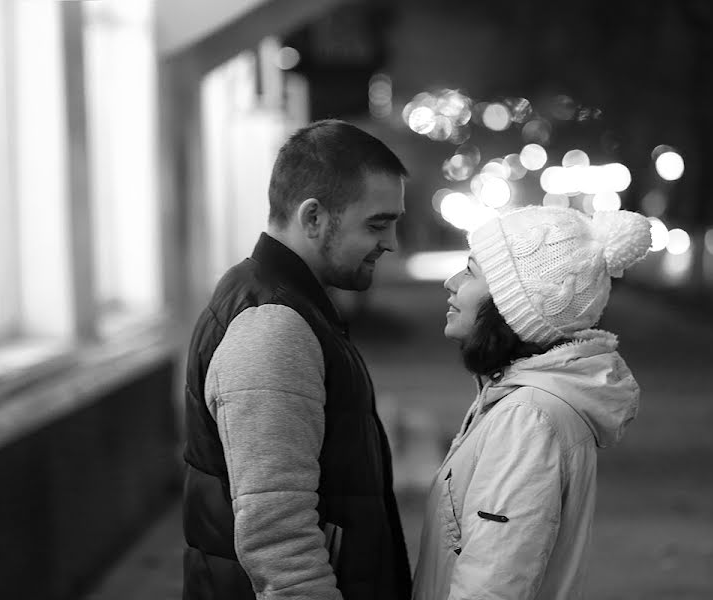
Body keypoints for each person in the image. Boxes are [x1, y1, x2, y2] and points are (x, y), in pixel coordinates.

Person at [182, 120, 412, 600]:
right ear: (314, 219)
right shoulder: (273, 325)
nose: (390, 242)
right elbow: (278, 536)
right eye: (377, 223)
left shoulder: (285, 303)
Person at [412, 206, 653, 600]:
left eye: (471, 272)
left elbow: (492, 584)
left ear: (511, 306)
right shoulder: (519, 401)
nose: (451, 283)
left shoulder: (527, 418)